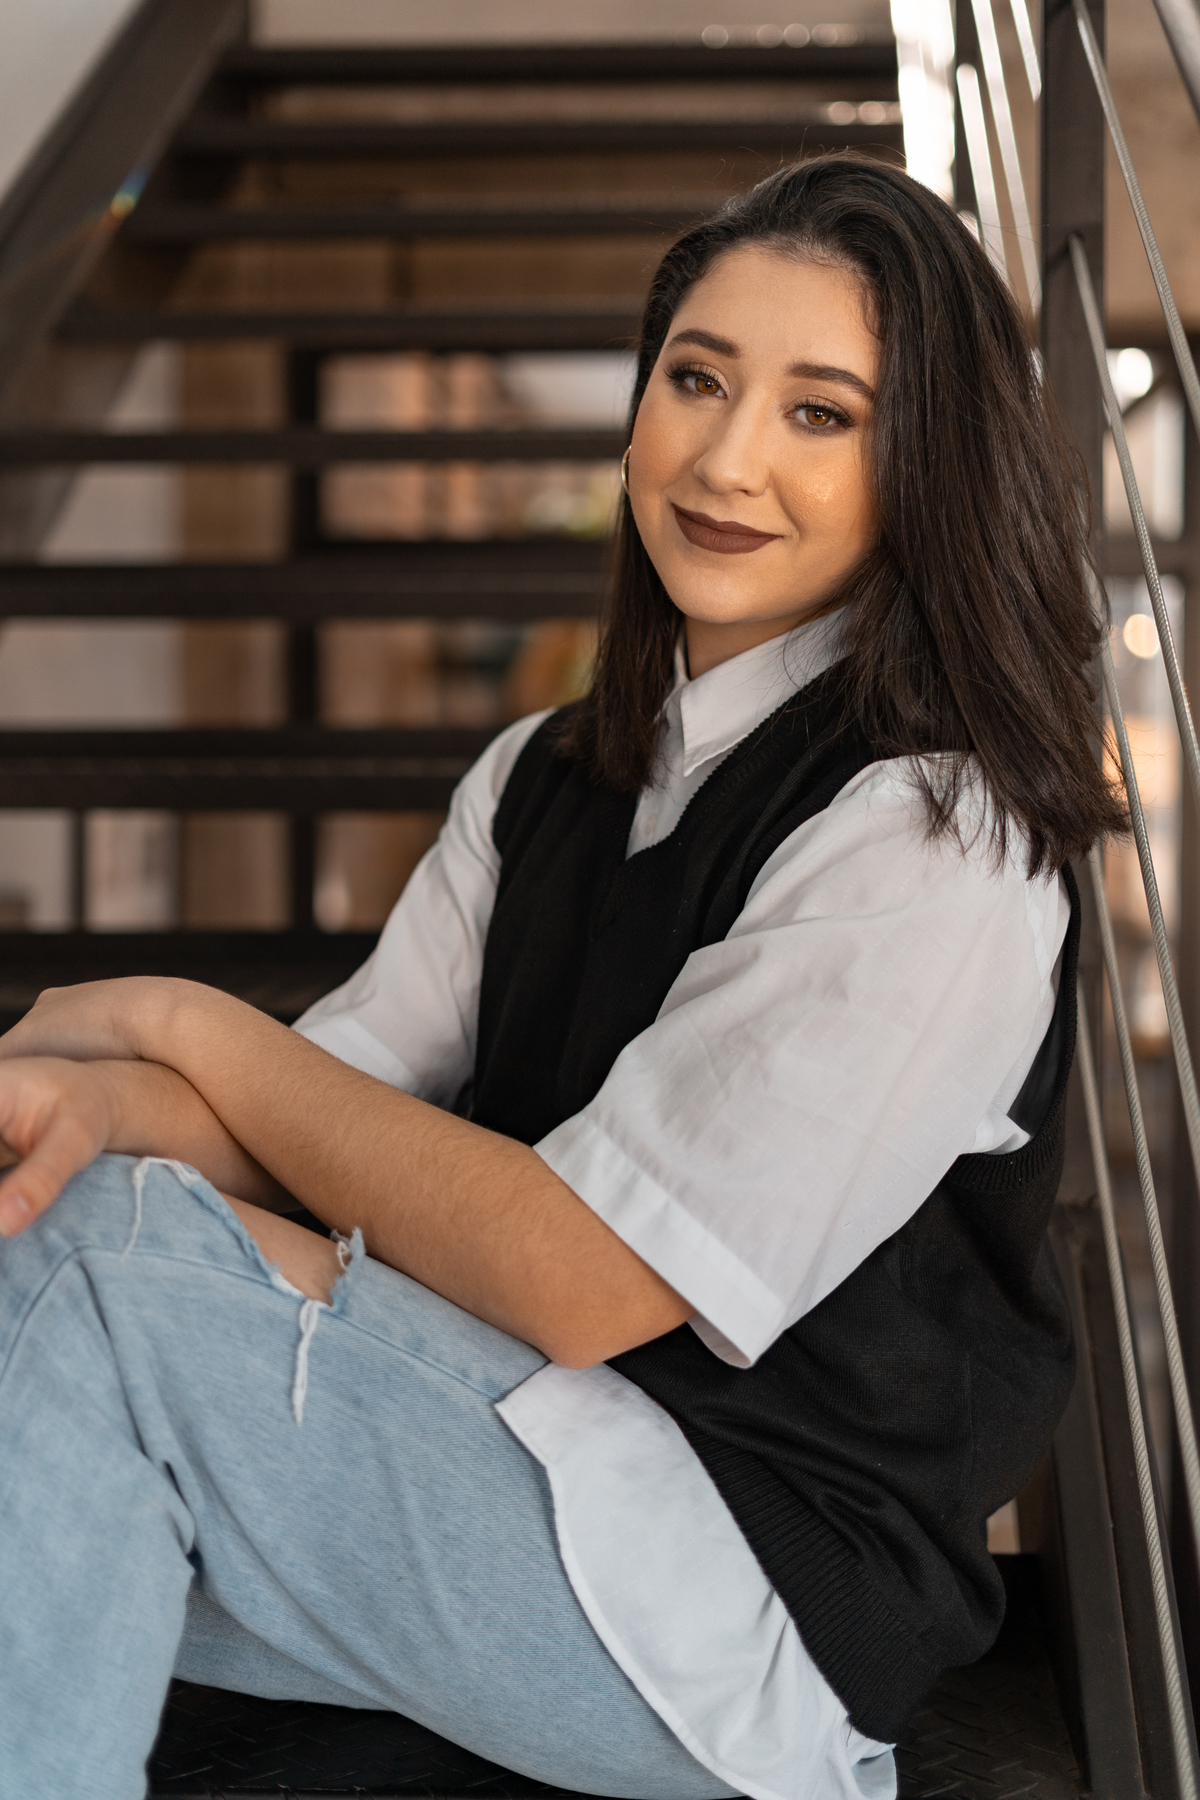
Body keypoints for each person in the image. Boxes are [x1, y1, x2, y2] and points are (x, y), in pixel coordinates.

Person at [0, 154, 1123, 1800]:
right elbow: (333, 1114)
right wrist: (88, 1100)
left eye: (824, 413)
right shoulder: (550, 775)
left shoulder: (936, 839)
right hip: (514, 1444)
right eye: (696, 380)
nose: (728, 458)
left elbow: (587, 1281)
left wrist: (173, 1023)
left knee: (97, 1270)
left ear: (927, 465)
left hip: (738, 1599)